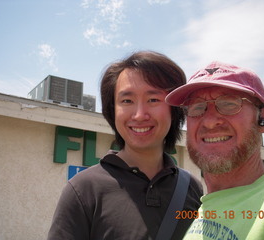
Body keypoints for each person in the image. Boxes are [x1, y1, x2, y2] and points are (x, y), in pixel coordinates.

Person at [47, 51, 203, 240]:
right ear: (113, 111)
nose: (139, 115)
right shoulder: (83, 190)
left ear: (174, 110)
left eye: (153, 100)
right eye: (127, 101)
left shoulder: (192, 188)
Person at [165, 61, 264, 240]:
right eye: (197, 107)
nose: (210, 121)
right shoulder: (200, 212)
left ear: (262, 117)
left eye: (229, 104)